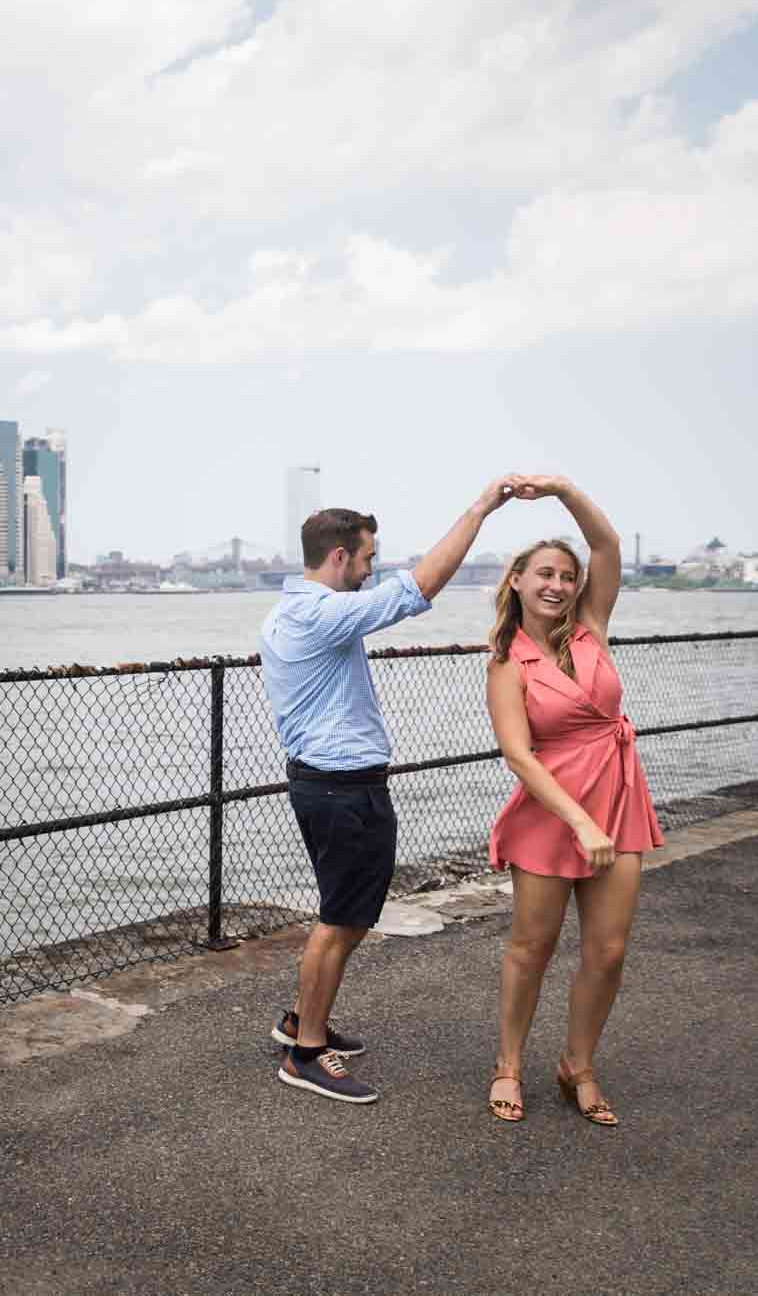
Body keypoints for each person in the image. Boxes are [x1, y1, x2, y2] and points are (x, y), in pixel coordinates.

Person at [262, 479, 522, 1103]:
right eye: (367, 558)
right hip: (340, 789)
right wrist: (480, 508)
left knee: (344, 913)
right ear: (339, 557)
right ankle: (304, 1055)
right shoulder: (318, 612)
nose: (371, 569)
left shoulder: (296, 609)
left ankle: (303, 1020)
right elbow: (419, 586)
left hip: (333, 785)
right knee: (341, 920)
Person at [484, 477, 661, 1126]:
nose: (557, 585)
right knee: (532, 946)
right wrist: (579, 819)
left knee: (608, 950)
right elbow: (519, 755)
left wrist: (559, 488)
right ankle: (508, 1063)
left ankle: (577, 1064)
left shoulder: (591, 627)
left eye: (566, 574)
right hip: (553, 813)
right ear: (519, 582)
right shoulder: (508, 660)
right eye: (544, 574)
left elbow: (606, 542)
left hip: (618, 803)